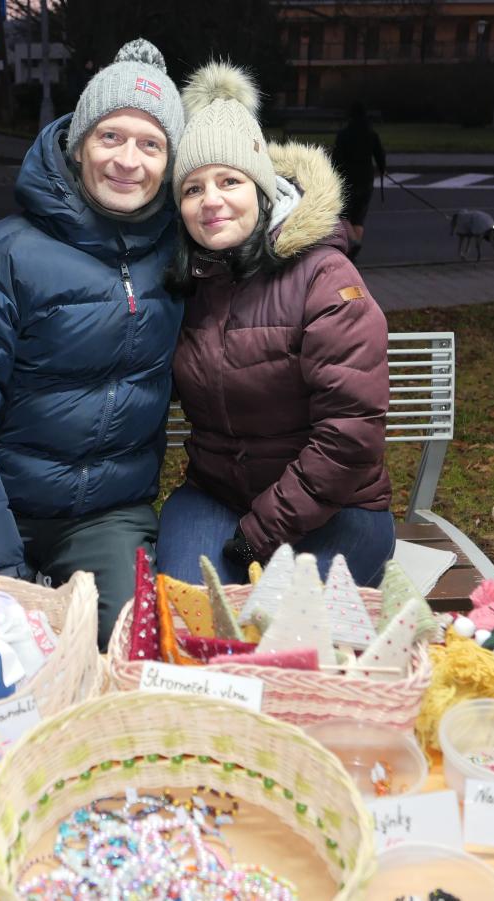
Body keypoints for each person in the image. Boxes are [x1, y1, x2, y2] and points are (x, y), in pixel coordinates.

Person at [0, 39, 185, 648]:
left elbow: (253, 222)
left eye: (151, 144)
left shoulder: (182, 258)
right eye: (110, 137)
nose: (128, 161)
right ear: (78, 143)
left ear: (170, 163)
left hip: (108, 517)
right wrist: (3, 574)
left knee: (126, 650)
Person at [155, 63, 394, 587]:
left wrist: (257, 535)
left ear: (263, 190)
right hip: (217, 496)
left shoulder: (325, 277)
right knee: (191, 611)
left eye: (229, 181)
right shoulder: (187, 283)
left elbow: (350, 436)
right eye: (192, 188)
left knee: (289, 623)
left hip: (340, 507)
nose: (211, 200)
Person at [331, 101, 386, 260]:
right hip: (366, 178)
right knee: (359, 218)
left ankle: (354, 242)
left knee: (343, 214)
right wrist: (382, 169)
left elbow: (336, 158)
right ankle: (354, 250)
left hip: (348, 179)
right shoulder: (371, 134)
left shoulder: (343, 134)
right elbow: (380, 155)